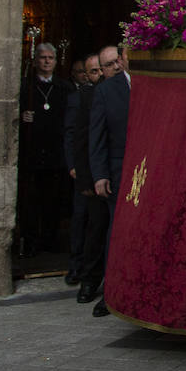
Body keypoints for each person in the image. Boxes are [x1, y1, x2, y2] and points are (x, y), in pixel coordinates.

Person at [87, 44, 130, 318]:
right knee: (116, 232)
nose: (117, 65)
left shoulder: (152, 84)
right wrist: (100, 173)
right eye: (112, 62)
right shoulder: (106, 91)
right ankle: (110, 293)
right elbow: (97, 135)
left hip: (148, 170)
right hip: (118, 172)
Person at [18, 43, 69, 259]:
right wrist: (22, 117)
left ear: (56, 61)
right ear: (36, 60)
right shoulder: (26, 86)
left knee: (52, 201)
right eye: (42, 57)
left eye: (51, 58)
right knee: (31, 202)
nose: (47, 61)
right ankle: (30, 241)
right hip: (33, 153)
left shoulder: (64, 87)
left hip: (55, 152)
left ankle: (50, 240)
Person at [63, 53, 104, 291]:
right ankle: (78, 268)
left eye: (103, 69)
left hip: (103, 174)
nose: (100, 74)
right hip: (85, 172)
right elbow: (76, 137)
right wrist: (76, 168)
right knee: (82, 221)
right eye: (95, 71)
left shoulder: (110, 92)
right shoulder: (81, 97)